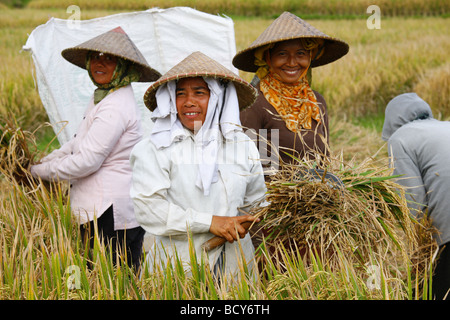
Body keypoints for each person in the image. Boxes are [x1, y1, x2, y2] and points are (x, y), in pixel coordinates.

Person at [30, 26, 161, 271]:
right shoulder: (104, 95)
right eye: (96, 57)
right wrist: (46, 160)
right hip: (98, 210)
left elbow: (86, 161)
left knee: (117, 282)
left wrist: (39, 172)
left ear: (124, 66)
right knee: (100, 281)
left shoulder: (115, 107)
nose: (99, 63)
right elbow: (79, 142)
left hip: (111, 213)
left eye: (109, 58)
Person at [130, 51, 267, 279]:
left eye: (199, 92)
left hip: (234, 267)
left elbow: (256, 201)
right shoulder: (155, 148)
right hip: (178, 268)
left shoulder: (241, 144)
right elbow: (148, 209)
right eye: (180, 93)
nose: (188, 101)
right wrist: (210, 222)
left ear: (217, 98)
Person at [232, 11, 349, 167]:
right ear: (268, 58)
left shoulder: (316, 102)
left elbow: (324, 160)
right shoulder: (255, 103)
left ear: (310, 57)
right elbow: (248, 165)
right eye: (282, 54)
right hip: (271, 191)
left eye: (301, 53)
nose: (292, 62)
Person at [381, 92, 450, 300]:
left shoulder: (400, 138)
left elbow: (413, 200)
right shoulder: (445, 126)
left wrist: (414, 248)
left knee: (435, 292)